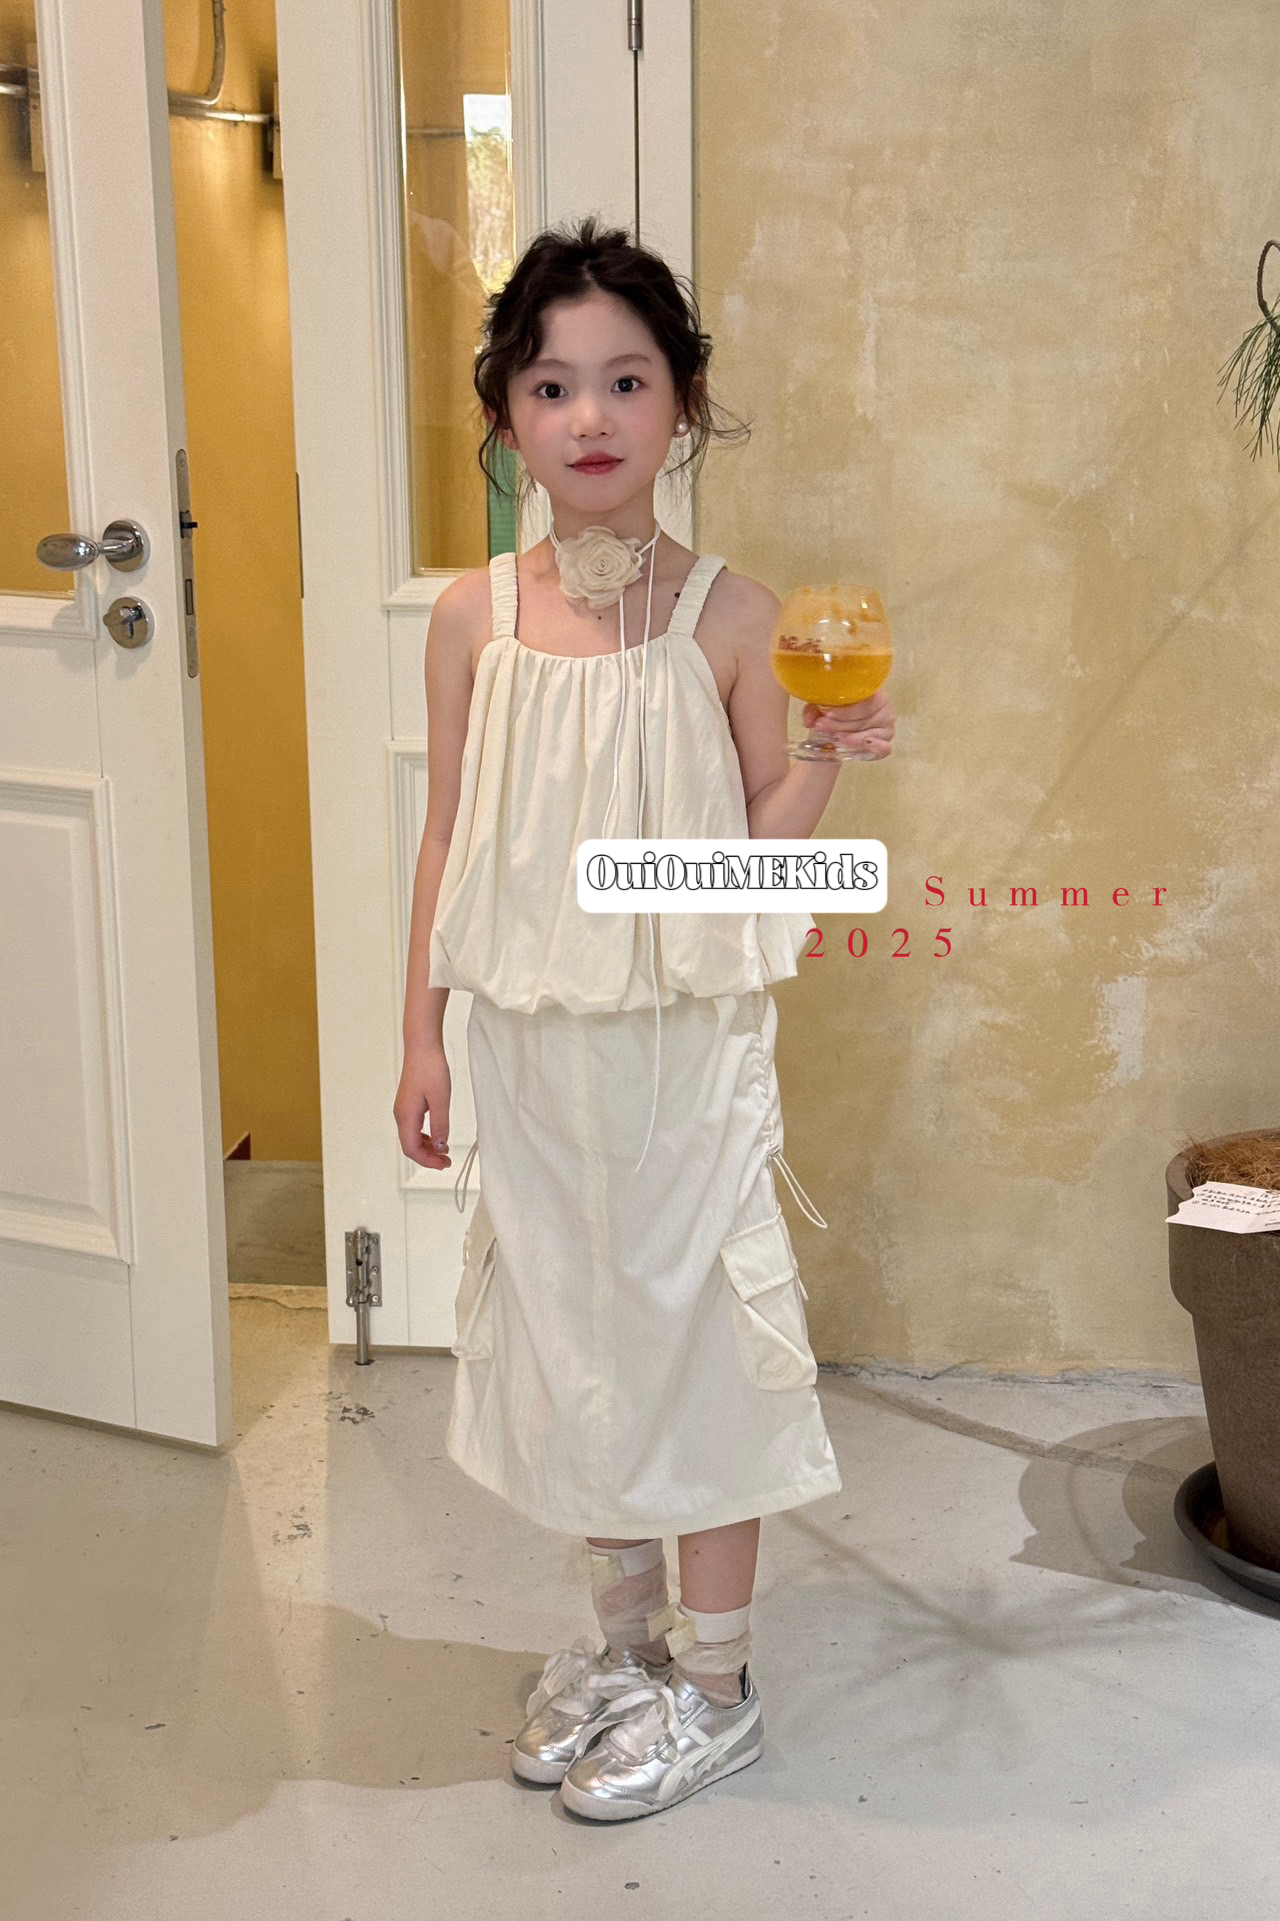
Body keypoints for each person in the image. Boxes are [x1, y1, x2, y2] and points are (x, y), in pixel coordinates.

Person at [394, 214, 896, 1823]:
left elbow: (748, 851)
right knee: (570, 1331)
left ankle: (719, 1681)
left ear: (684, 402)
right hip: (530, 1052)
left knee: (695, 1338)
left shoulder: (735, 620)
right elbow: (449, 834)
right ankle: (623, 1649)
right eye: (551, 385)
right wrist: (423, 1035)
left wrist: (824, 757)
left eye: (627, 379)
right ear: (506, 415)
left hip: (682, 1056)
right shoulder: (472, 617)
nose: (590, 416)